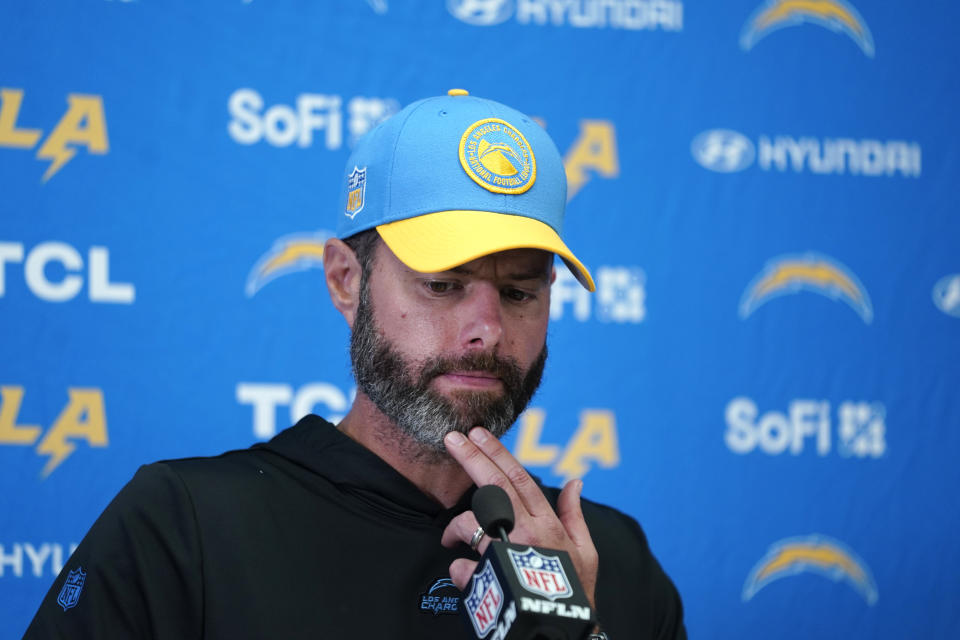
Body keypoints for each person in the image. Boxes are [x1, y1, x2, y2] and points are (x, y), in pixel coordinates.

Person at [24, 90, 686, 639]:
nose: (487, 329)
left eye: (519, 292)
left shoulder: (607, 557)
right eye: (443, 283)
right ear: (346, 280)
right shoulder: (185, 526)